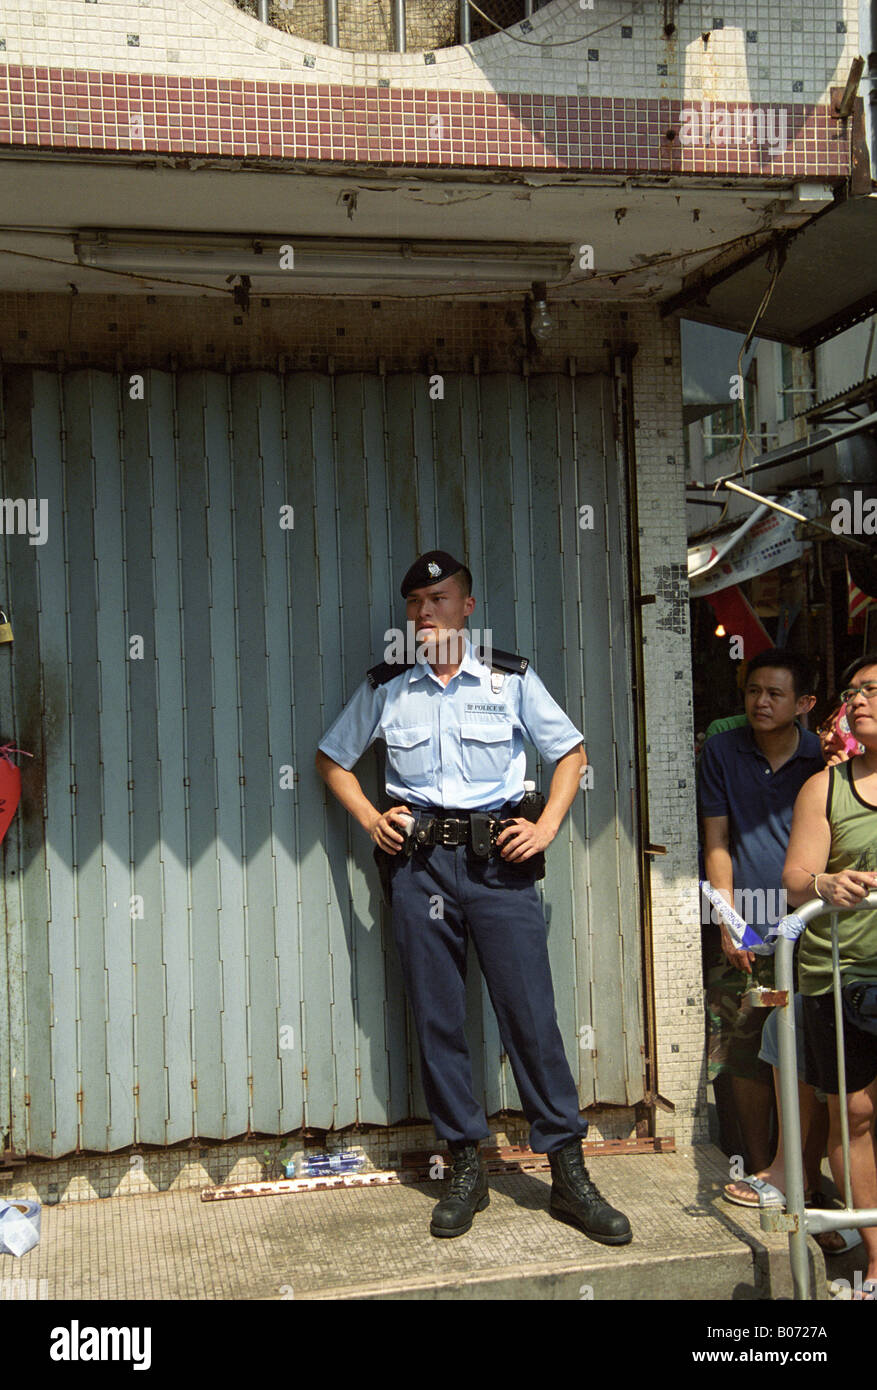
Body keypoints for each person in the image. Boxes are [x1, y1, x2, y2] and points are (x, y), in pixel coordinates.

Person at [315, 550, 631, 1245]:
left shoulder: (509, 679)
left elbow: (570, 753)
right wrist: (372, 819)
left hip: (499, 868)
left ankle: (568, 1172)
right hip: (419, 868)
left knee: (531, 1019)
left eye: (438, 600)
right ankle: (465, 1165)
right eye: (414, 604)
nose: (424, 614)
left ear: (467, 607)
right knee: (438, 1018)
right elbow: (331, 759)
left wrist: (544, 826)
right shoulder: (387, 688)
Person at [698, 649, 823, 1183]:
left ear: (804, 703)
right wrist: (729, 920)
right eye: (753, 691)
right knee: (744, 1048)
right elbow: (717, 843)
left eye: (775, 693)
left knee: (812, 1054)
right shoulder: (722, 751)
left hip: (811, 928)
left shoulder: (824, 759)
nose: (761, 702)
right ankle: (756, 1167)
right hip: (745, 925)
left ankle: (808, 1179)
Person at [783, 651, 877, 1297]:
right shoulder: (825, 785)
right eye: (853, 691)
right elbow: (792, 883)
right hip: (838, 973)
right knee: (853, 1112)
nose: (859, 699)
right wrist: (825, 882)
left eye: (872, 689)